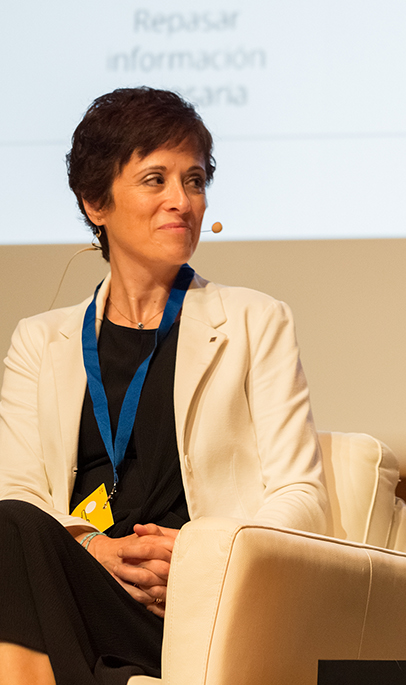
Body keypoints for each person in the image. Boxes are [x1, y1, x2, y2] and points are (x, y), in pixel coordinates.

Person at [0, 88, 329, 685]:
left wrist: (204, 555)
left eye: (195, 180)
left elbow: (301, 495)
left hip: (195, 605)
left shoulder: (256, 322)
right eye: (155, 179)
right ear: (95, 202)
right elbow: (16, 489)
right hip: (79, 586)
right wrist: (95, 551)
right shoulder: (39, 341)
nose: (181, 201)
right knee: (10, 525)